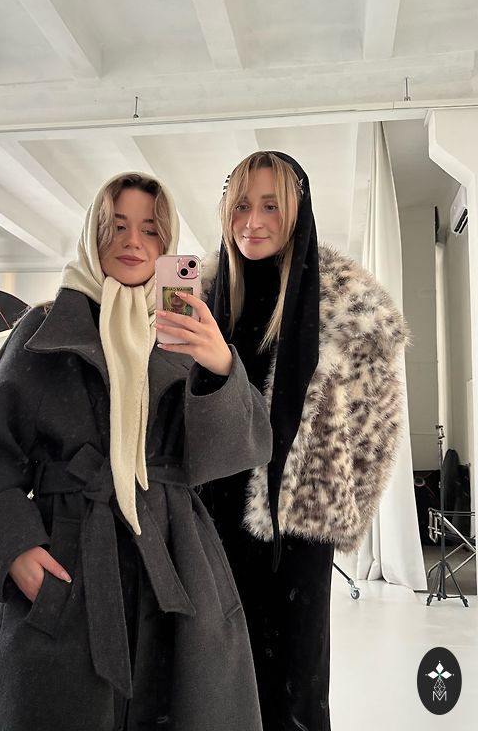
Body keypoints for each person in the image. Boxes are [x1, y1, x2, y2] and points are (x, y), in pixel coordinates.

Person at [0, 172, 273, 731]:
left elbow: (233, 455)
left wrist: (220, 368)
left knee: (183, 702)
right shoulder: (44, 329)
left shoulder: (186, 334)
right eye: (116, 226)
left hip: (175, 554)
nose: (133, 241)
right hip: (71, 553)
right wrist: (13, 548)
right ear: (92, 234)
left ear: (168, 244)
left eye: (150, 229)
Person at [203, 151, 408, 731]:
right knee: (216, 683)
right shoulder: (207, 292)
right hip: (210, 520)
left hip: (294, 528)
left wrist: (332, 504)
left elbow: (375, 426)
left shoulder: (345, 302)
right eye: (241, 206)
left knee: (294, 688)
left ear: (297, 211)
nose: (253, 222)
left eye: (271, 206)